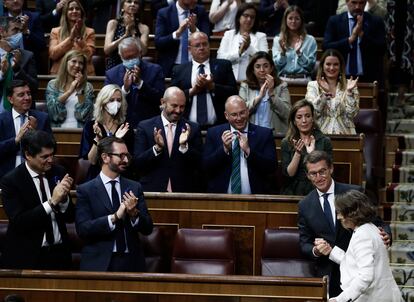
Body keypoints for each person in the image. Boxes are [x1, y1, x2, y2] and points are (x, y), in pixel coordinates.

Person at [298, 150, 391, 298]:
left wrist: (386, 234)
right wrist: (316, 250)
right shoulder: (305, 205)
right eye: (313, 174)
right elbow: (304, 243)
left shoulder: (353, 192)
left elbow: (377, 222)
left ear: (331, 169)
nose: (318, 177)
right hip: (328, 272)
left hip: (359, 271)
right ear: (308, 176)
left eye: (322, 171)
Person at [76, 136, 153, 272]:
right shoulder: (85, 190)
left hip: (131, 262)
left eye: (127, 155)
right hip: (99, 263)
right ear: (105, 157)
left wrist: (134, 215)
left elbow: (148, 228)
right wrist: (114, 217)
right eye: (121, 156)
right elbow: (83, 229)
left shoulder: (135, 187)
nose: (126, 160)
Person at [0, 130, 74, 270]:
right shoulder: (11, 181)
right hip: (27, 257)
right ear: (28, 155)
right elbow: (20, 221)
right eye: (44, 156)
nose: (50, 160)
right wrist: (52, 202)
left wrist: (64, 200)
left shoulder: (59, 172)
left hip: (59, 255)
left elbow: (70, 216)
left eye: (52, 155)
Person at [320, 190, 403, 302]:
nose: (338, 217)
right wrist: (331, 251)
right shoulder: (370, 228)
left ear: (350, 213)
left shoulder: (362, 235)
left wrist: (340, 299)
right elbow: (354, 261)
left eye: (339, 212)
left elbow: (365, 276)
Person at [203, 95, 277, 194]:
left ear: (247, 111)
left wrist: (249, 151)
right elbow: (205, 167)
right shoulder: (214, 133)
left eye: (242, 113)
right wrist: (224, 149)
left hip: (257, 200)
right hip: (220, 200)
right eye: (234, 114)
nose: (239, 118)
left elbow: (272, 167)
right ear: (226, 115)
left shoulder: (264, 134)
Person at [134, 86, 203, 192]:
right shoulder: (145, 127)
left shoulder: (193, 128)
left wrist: (184, 147)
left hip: (184, 192)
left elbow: (200, 164)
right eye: (174, 106)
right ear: (163, 102)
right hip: (152, 191)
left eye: (182, 107)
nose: (178, 111)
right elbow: (138, 163)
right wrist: (157, 148)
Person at [171, 32, 238, 128]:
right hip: (187, 127)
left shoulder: (224, 65)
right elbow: (172, 98)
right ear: (190, 49)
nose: (202, 48)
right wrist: (192, 91)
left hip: (219, 126)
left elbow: (234, 92)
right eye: (197, 45)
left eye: (205, 44)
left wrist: (212, 87)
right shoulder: (179, 70)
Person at [104, 37, 165, 129]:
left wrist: (140, 84)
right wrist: (124, 89)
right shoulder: (112, 74)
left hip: (149, 126)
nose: (131, 61)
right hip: (121, 126)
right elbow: (107, 103)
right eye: (127, 58)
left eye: (133, 57)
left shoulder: (155, 70)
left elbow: (160, 98)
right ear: (121, 56)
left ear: (140, 53)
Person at [79, 84, 134, 182]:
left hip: (121, 176)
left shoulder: (125, 127)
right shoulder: (91, 126)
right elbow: (92, 160)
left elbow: (129, 160)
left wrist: (117, 139)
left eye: (119, 100)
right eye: (111, 100)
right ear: (103, 102)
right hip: (96, 177)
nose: (116, 104)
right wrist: (98, 139)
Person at [323, 0, 386, 83]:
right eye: (354, 2)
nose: (357, 7)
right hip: (340, 77)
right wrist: (350, 40)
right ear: (346, 2)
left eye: (361, 3)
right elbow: (326, 47)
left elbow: (382, 49)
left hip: (368, 78)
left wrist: (362, 36)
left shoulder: (375, 21)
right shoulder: (335, 21)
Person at [0, 80, 52, 178]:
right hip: (7, 173)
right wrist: (15, 140)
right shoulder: (1, 120)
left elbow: (52, 147)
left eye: (28, 93)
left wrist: (36, 134)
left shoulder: (42, 118)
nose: (27, 98)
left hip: (36, 171)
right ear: (10, 99)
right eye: (21, 95)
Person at [281, 100, 332, 195]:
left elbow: (328, 171)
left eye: (307, 116)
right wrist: (297, 153)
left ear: (312, 118)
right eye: (299, 117)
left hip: (318, 187)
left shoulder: (324, 141)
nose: (304, 121)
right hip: (294, 189)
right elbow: (289, 174)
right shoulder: (286, 142)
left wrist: (311, 153)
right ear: (294, 121)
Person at [305, 49, 359, 135]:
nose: (332, 68)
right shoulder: (313, 85)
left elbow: (351, 114)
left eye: (336, 64)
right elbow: (311, 113)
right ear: (322, 66)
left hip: (346, 135)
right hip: (319, 135)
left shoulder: (350, 85)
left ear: (341, 67)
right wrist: (324, 95)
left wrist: (349, 93)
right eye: (328, 64)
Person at [239, 51, 291, 135]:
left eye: (266, 66)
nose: (262, 70)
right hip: (251, 134)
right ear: (252, 70)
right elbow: (240, 112)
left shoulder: (281, 86)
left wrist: (272, 94)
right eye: (258, 66)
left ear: (271, 68)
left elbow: (287, 114)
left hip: (274, 135)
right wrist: (258, 97)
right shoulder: (245, 86)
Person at [155, 0, 210, 77]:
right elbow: (159, 43)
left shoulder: (200, 11)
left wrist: (194, 30)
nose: (195, 0)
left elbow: (207, 38)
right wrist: (178, 33)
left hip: (196, 65)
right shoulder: (164, 13)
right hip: (171, 66)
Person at [217, 3, 268, 81]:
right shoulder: (229, 35)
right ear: (238, 17)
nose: (249, 19)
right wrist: (239, 53)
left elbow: (265, 59)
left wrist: (249, 47)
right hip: (230, 80)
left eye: (252, 17)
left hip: (252, 81)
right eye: (246, 15)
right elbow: (220, 58)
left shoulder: (261, 36)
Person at [45, 50, 94, 128]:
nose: (77, 65)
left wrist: (79, 89)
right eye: (74, 61)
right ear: (66, 63)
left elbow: (85, 116)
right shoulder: (53, 85)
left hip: (80, 131)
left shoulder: (88, 87)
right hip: (57, 130)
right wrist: (69, 91)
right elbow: (53, 113)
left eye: (81, 63)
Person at [0, 17, 38, 110]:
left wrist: (17, 69)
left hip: (21, 112)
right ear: (1, 32)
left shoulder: (27, 56)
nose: (19, 35)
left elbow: (34, 87)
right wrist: (1, 74)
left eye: (20, 30)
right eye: (15, 30)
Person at [49, 0, 96, 75]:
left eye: (77, 9)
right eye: (71, 9)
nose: (74, 11)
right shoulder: (55, 31)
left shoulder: (90, 32)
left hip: (83, 73)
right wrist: (70, 39)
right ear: (65, 13)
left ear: (81, 13)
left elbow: (89, 56)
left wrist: (80, 39)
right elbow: (53, 55)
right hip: (60, 73)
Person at [272, 5, 317, 82]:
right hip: (283, 79)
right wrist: (282, 53)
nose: (293, 21)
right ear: (285, 20)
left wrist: (299, 54)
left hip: (304, 80)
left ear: (301, 21)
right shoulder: (278, 39)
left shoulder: (310, 40)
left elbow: (311, 67)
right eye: (290, 18)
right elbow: (276, 67)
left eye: (297, 18)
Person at [104, 0, 149, 70]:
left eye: (136, 2)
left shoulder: (143, 28)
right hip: (115, 65)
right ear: (122, 5)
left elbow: (143, 51)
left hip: (135, 66)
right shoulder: (113, 23)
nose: (132, 4)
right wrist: (125, 35)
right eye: (129, 1)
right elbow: (107, 50)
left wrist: (133, 33)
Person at [3, 0, 46, 72]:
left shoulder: (34, 17)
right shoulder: (1, 20)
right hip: (5, 66)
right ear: (4, 3)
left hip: (29, 66)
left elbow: (42, 45)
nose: (15, 0)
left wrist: (26, 32)